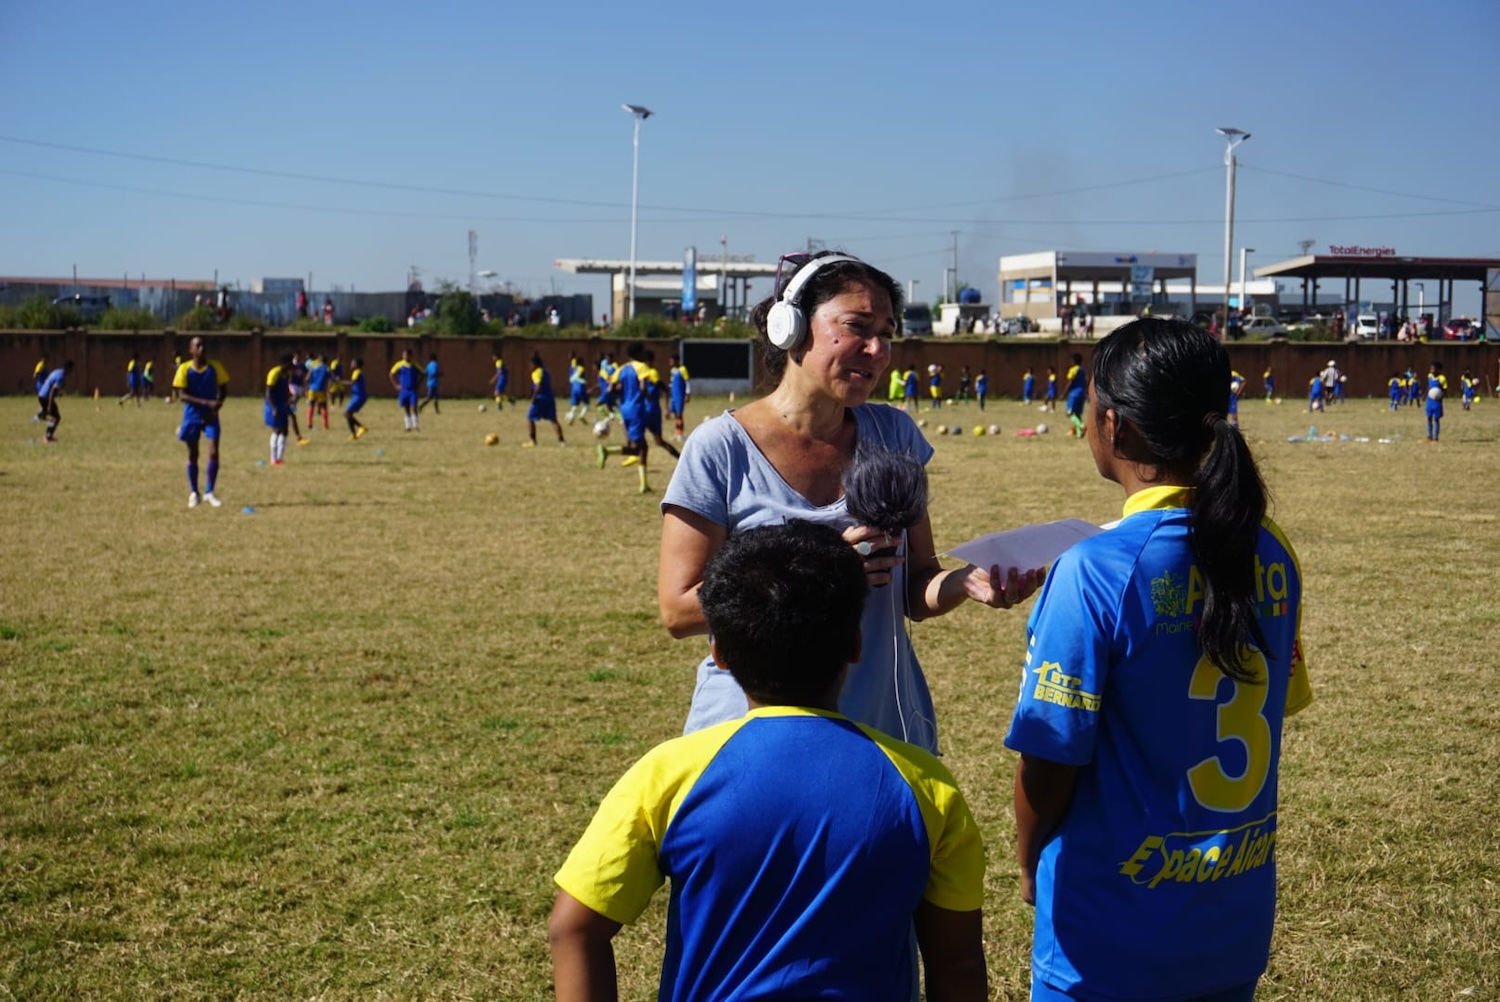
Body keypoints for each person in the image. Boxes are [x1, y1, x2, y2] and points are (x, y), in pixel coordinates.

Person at [1004, 317, 1312, 1002]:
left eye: (1087, 405)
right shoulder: (1271, 550)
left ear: (1115, 426)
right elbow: (1276, 702)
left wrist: (1027, 863)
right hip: (1232, 923)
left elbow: (1049, 761)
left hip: (1109, 936)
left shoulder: (1094, 571)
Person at [551, 521, 988, 1002]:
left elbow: (574, 929)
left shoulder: (668, 775)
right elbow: (958, 962)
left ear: (718, 652)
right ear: (855, 646)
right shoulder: (926, 786)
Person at [658, 251, 1042, 756]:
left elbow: (914, 588)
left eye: (887, 333)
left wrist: (967, 583)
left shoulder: (894, 434)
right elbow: (679, 609)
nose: (877, 349)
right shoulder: (721, 448)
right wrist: (822, 571)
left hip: (879, 734)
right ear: (790, 327)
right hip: (747, 742)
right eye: (857, 326)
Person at [172, 336, 229, 508]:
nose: (201, 348)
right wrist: (206, 402)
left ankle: (209, 492)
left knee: (213, 451)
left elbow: (224, 389)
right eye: (198, 346)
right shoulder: (184, 369)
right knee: (193, 453)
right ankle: (194, 492)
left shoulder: (215, 367)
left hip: (211, 416)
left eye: (203, 345)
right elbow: (181, 395)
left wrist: (216, 408)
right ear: (191, 350)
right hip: (192, 416)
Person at [596, 342, 653, 491]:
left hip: (624, 408)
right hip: (636, 409)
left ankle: (644, 485)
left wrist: (622, 392)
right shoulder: (642, 367)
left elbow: (610, 389)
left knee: (643, 446)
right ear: (640, 353)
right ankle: (607, 451)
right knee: (637, 448)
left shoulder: (621, 369)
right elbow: (642, 387)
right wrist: (648, 396)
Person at [641, 350, 681, 460]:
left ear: (648, 361)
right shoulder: (642, 373)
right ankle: (680, 457)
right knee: (657, 441)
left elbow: (665, 390)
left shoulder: (652, 373)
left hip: (650, 409)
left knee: (655, 441)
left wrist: (666, 408)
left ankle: (681, 458)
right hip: (646, 408)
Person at [524, 351, 565, 448]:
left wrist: (533, 397)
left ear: (534, 364)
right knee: (553, 420)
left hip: (540, 399)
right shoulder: (545, 371)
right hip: (550, 398)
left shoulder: (536, 373)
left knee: (530, 418)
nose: (529, 367)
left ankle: (533, 441)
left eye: (530, 365)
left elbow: (538, 386)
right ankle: (562, 441)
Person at [264, 353, 295, 466]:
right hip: (273, 405)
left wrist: (289, 397)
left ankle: (279, 458)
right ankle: (273, 459)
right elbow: (268, 392)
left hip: (282, 405)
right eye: (291, 362)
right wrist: (273, 408)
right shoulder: (274, 373)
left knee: (285, 430)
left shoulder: (286, 374)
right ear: (285, 363)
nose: (292, 364)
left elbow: (285, 389)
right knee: (276, 430)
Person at [36, 360, 73, 443]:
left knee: (55, 416)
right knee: (56, 417)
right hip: (46, 397)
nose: (71, 371)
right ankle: (47, 437)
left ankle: (48, 435)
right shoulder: (61, 376)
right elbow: (53, 390)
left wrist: (58, 393)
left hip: (42, 395)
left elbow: (50, 383)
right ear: (68, 368)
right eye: (71, 369)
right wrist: (49, 405)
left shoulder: (57, 371)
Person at [390, 347, 421, 431]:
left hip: (412, 390)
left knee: (414, 407)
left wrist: (418, 384)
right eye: (404, 355)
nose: (405, 356)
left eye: (407, 355)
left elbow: (422, 373)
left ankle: (416, 425)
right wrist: (396, 385)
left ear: (411, 356)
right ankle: (408, 426)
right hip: (403, 390)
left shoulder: (414, 365)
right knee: (406, 408)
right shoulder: (399, 364)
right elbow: (391, 374)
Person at [341, 357, 369, 440]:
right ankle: (354, 435)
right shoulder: (358, 372)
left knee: (347, 414)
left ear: (356, 365)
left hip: (359, 397)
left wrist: (340, 381)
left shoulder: (356, 372)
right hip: (357, 396)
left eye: (352, 363)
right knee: (347, 414)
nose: (351, 364)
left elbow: (352, 382)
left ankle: (361, 427)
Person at [304, 353, 330, 433]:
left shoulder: (313, 367)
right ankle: (325, 426)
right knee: (323, 407)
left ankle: (309, 424)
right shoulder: (327, 369)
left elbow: (307, 378)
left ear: (319, 360)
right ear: (326, 361)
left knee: (311, 406)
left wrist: (306, 388)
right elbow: (330, 380)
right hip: (321, 390)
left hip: (312, 389)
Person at [668, 353, 691, 440]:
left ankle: (681, 433)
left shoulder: (683, 369)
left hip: (680, 395)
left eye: (671, 361)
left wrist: (687, 394)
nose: (670, 362)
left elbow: (687, 381)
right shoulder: (673, 370)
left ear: (676, 361)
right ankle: (677, 432)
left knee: (679, 414)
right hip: (673, 396)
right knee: (675, 414)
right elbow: (672, 382)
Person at [1064, 353, 1087, 438]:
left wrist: (1064, 393)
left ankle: (1081, 426)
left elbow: (1070, 382)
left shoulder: (1073, 370)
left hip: (1074, 394)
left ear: (1073, 361)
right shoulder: (1083, 371)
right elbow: (1085, 382)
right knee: (1077, 414)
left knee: (1070, 413)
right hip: (1082, 394)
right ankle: (1079, 434)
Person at [564, 354, 590, 425]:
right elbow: (575, 377)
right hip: (580, 388)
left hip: (574, 389)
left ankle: (571, 417)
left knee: (575, 404)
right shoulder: (581, 368)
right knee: (586, 403)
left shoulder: (572, 368)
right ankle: (582, 415)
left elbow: (571, 379)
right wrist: (584, 381)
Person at [1425, 361, 1447, 442]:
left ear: (1438, 370)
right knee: (1429, 417)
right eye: (1431, 368)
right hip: (1429, 400)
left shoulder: (1442, 378)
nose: (1431, 370)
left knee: (1436, 419)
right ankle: (1429, 436)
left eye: (1433, 368)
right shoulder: (1429, 376)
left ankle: (1435, 437)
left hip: (1437, 401)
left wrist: (1440, 395)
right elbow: (1429, 387)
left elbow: (1445, 389)